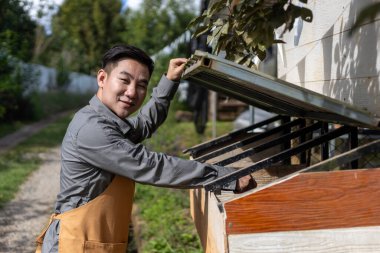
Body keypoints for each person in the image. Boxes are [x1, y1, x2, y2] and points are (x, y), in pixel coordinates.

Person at [35, 44, 256, 253]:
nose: (132, 92)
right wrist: (226, 177)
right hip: (73, 244)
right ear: (102, 78)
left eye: (141, 85)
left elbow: (143, 125)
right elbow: (151, 165)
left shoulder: (107, 122)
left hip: (91, 240)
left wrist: (169, 81)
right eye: (125, 80)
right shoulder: (92, 128)